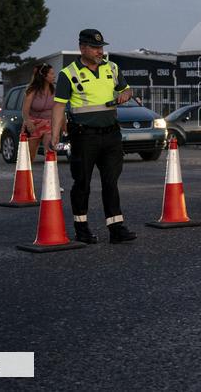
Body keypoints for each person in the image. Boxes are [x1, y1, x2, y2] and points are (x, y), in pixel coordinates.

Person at [50, 29, 137, 244]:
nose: (101, 51)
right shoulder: (68, 74)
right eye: (96, 48)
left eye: (102, 47)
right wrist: (54, 136)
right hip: (83, 136)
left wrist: (125, 94)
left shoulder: (112, 68)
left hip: (111, 134)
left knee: (111, 182)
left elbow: (127, 89)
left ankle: (116, 228)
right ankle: (82, 228)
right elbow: (59, 106)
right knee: (82, 183)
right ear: (82, 48)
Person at [22, 63, 56, 161]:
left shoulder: (54, 91)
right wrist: (28, 122)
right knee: (30, 156)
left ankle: (50, 174)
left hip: (49, 124)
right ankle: (27, 175)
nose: (54, 76)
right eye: (52, 74)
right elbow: (25, 110)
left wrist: (62, 125)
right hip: (34, 124)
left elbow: (59, 109)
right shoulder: (32, 91)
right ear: (44, 76)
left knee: (50, 152)